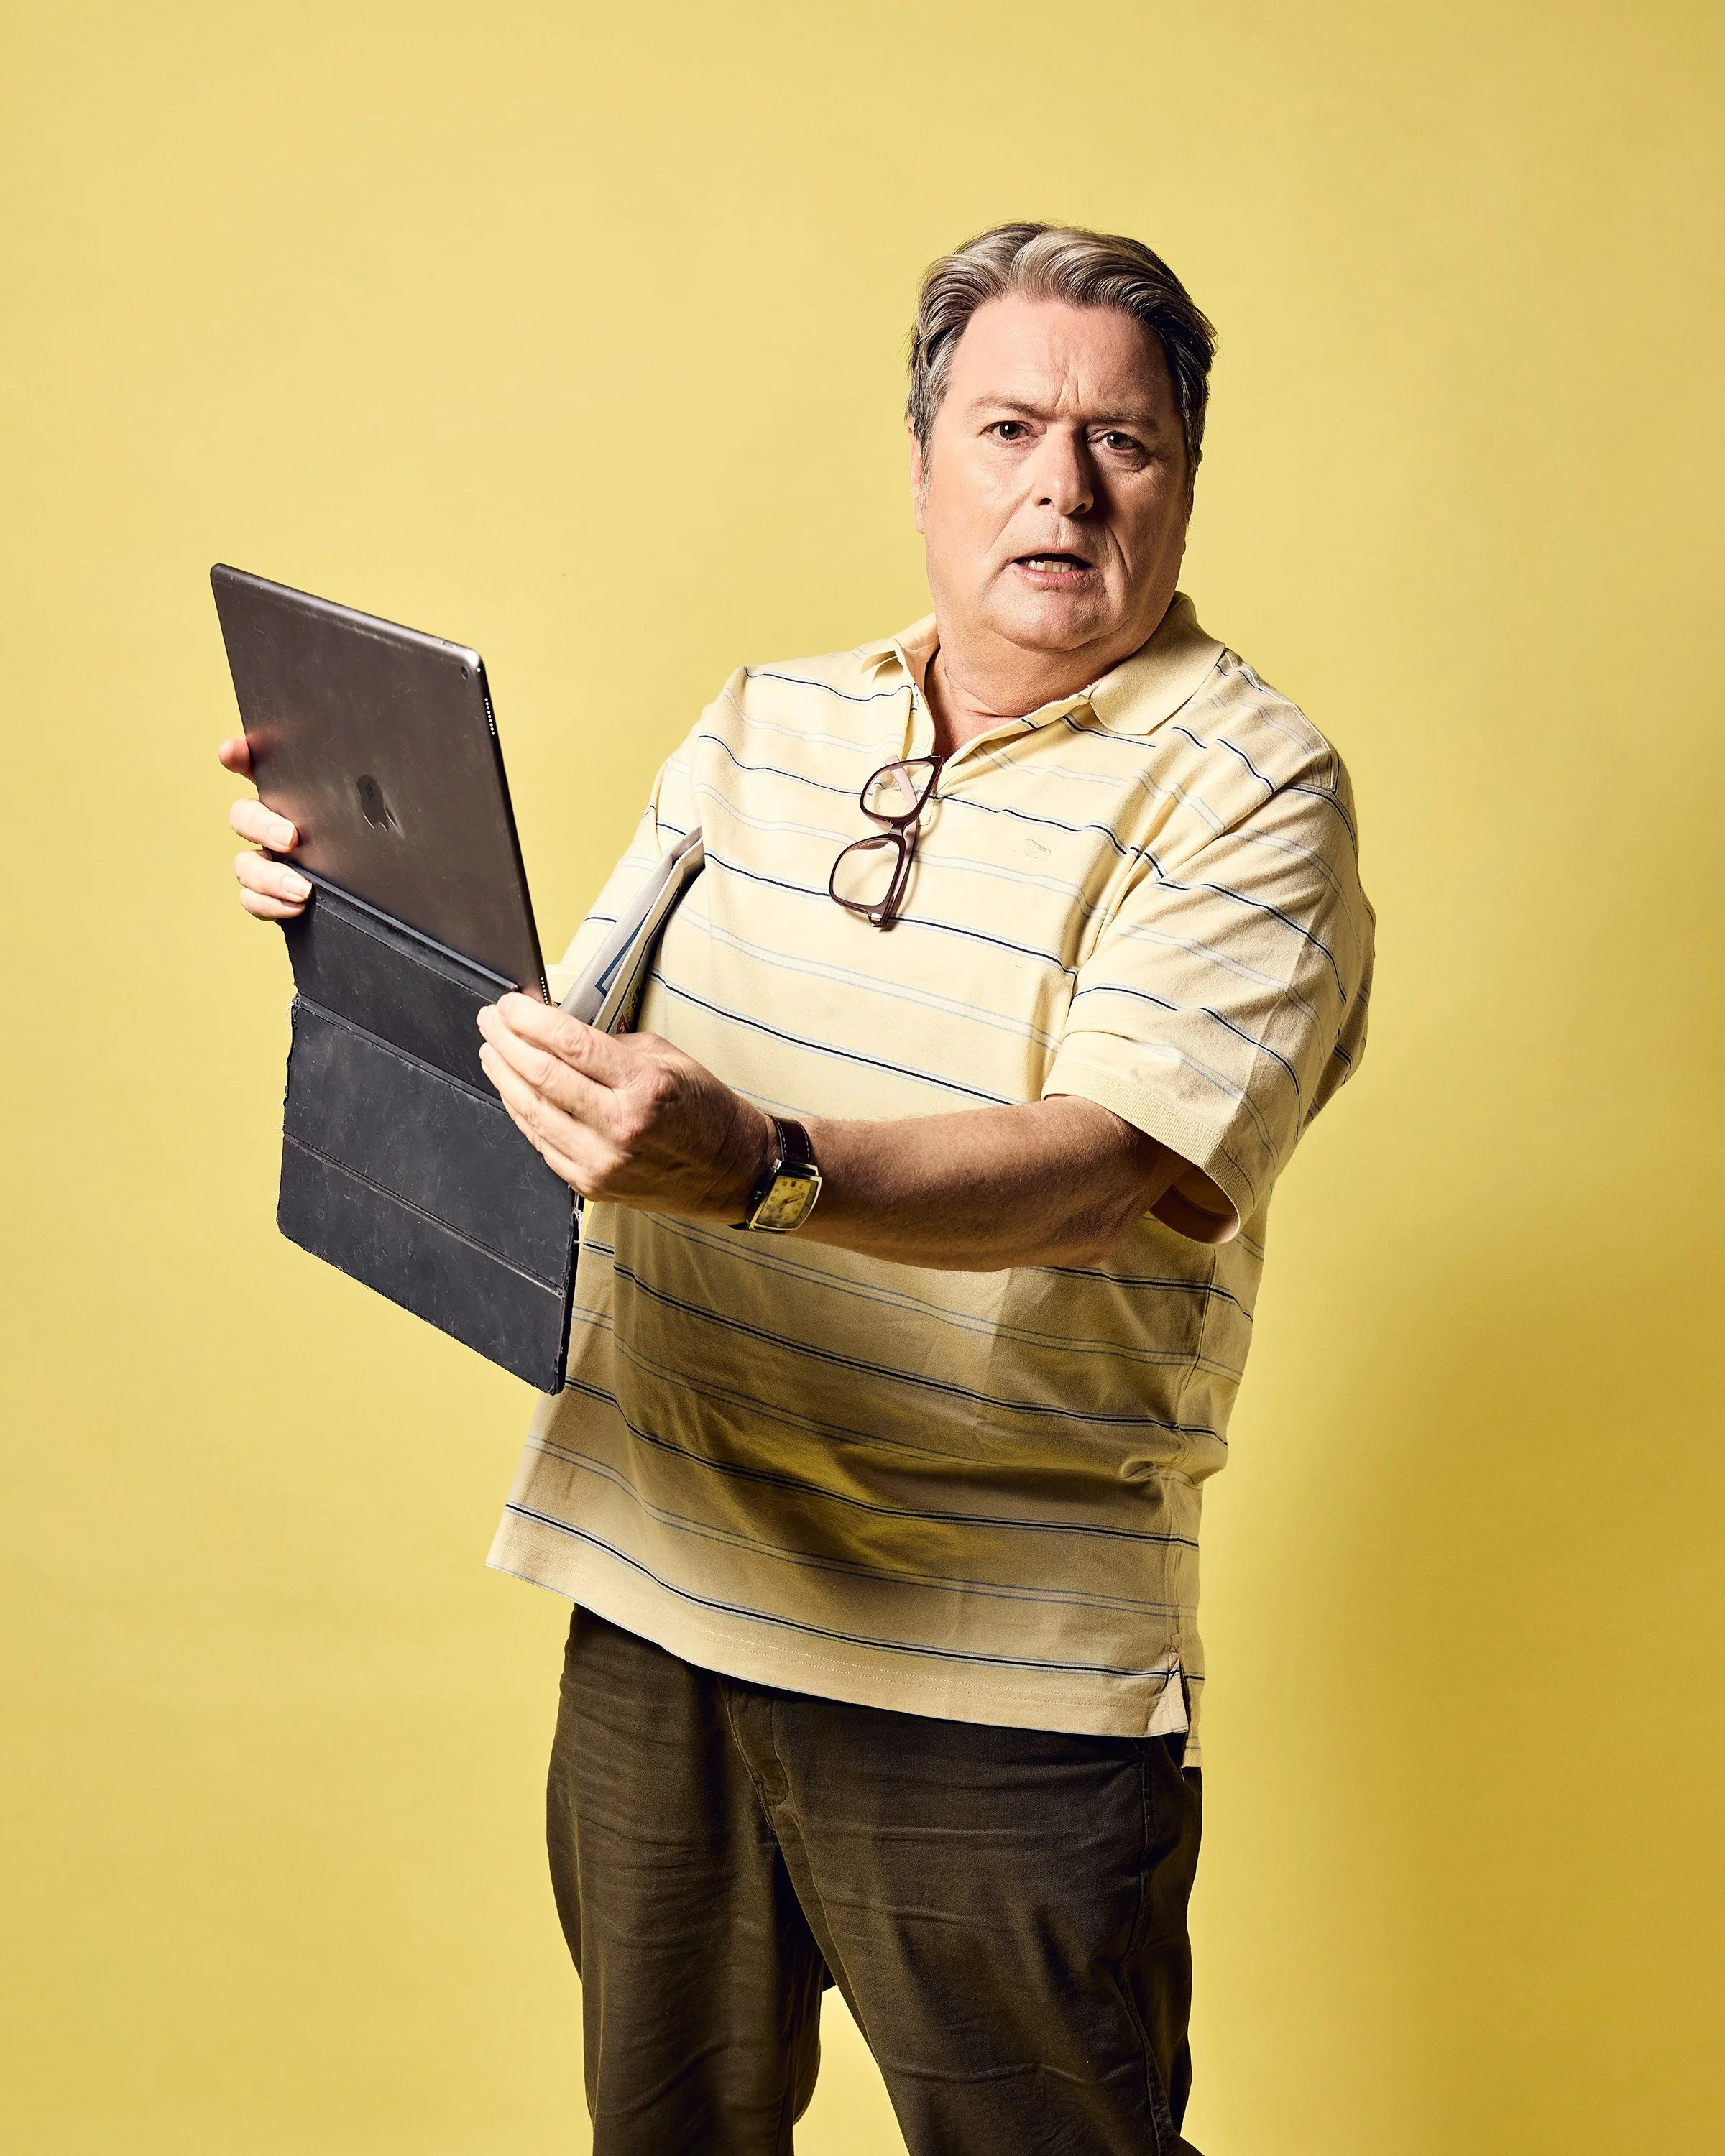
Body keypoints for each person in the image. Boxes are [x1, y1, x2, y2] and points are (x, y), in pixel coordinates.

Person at [222, 223, 1374, 2156]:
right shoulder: (765, 723)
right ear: (925, 464)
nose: (1063, 488)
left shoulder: (1254, 791)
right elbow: (554, 1071)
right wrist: (350, 910)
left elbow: (1111, 1167)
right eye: (1010, 427)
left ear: (1185, 476)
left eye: (1125, 441)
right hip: (657, 1596)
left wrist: (759, 1169)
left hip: (993, 1672)